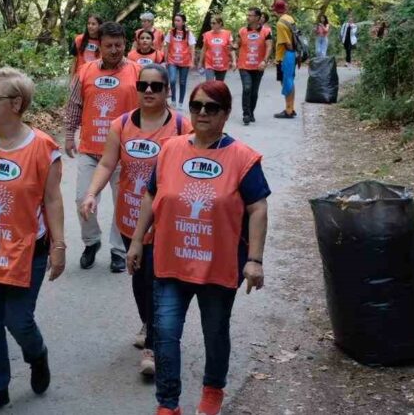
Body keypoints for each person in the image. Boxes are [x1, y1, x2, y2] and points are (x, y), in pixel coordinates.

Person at [127, 81, 270, 415]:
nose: (202, 112)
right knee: (164, 333)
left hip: (218, 266)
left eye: (211, 107)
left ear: (226, 113)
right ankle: (168, 403)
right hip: (170, 261)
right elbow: (150, 194)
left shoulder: (243, 158)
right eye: (196, 106)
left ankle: (212, 390)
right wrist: (136, 240)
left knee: (215, 332)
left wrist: (255, 259)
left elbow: (258, 208)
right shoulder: (170, 150)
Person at [0, 67, 66, 415]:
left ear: (17, 103)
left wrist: (59, 246)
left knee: (17, 320)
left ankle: (37, 355)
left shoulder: (44, 148)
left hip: (27, 250)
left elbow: (52, 199)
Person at [80, 63, 192, 377]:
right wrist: (91, 193)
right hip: (129, 217)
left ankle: (153, 345)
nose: (149, 91)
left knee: (156, 278)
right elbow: (107, 163)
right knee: (139, 277)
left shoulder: (181, 126)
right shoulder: (122, 124)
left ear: (167, 91)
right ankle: (148, 322)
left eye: (156, 86)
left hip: (164, 221)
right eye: (143, 86)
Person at [64, 21, 140, 272]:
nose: (114, 50)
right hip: (90, 149)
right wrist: (69, 135)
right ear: (100, 46)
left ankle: (118, 250)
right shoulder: (85, 71)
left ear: (125, 44)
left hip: (124, 152)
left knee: (123, 203)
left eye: (119, 45)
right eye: (109, 45)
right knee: (81, 198)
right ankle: (91, 241)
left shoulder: (137, 72)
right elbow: (74, 104)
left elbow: (150, 108)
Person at [235, 7, 273, 125]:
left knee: (254, 91)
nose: (248, 17)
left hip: (258, 66)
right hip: (244, 65)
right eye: (247, 15)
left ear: (257, 17)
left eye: (250, 15)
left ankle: (251, 112)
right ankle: (246, 114)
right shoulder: (242, 31)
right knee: (247, 88)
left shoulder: (266, 31)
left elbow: (269, 46)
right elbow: (237, 44)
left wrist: (264, 61)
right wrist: (233, 46)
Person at [272, 0, 297, 119]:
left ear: (275, 10)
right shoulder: (289, 18)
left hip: (284, 56)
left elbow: (287, 43)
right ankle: (291, 108)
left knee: (286, 82)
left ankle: (288, 110)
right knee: (290, 81)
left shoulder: (280, 23)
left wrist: (287, 56)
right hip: (291, 54)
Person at [164, 13, 197, 108]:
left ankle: (181, 102)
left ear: (183, 22)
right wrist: (165, 59)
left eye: (178, 20)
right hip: (172, 61)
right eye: (175, 20)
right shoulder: (171, 32)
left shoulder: (188, 33)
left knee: (182, 82)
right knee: (172, 80)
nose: (176, 22)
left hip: (185, 61)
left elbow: (192, 48)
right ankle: (173, 99)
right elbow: (166, 46)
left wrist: (192, 61)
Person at [198, 16, 234, 82]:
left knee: (219, 85)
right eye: (211, 23)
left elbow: (232, 49)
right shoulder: (207, 34)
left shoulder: (227, 34)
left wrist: (234, 61)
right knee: (210, 84)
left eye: (214, 23)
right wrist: (200, 62)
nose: (212, 25)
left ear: (220, 24)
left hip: (222, 64)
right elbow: (203, 49)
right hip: (209, 64)